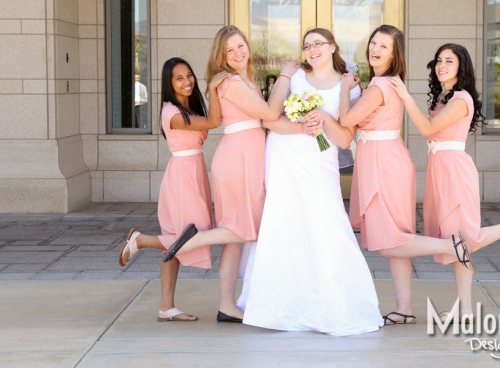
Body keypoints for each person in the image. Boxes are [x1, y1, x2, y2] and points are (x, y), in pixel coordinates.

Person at [236, 28, 384, 336]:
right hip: (284, 157)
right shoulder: (294, 77)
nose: (312, 49)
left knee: (326, 223)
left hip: (321, 162)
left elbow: (344, 138)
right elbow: (269, 119)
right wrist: (302, 125)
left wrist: (324, 119)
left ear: (332, 46)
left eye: (318, 43)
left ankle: (332, 300)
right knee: (284, 222)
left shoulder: (349, 87)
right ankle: (277, 303)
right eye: (306, 46)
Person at [390, 43, 500, 322]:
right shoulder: (442, 98)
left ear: (462, 66)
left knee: (463, 239)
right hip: (439, 170)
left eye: (449, 61)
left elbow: (426, 130)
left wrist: (404, 96)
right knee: (454, 242)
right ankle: (466, 311)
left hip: (454, 171)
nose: (442, 65)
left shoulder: (460, 99)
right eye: (439, 60)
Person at [338, 25, 475, 325]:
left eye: (384, 46)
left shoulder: (380, 86)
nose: (375, 48)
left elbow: (346, 119)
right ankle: (404, 309)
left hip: (382, 161)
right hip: (388, 158)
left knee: (389, 240)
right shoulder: (385, 83)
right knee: (394, 240)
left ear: (394, 53)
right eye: (373, 41)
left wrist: (344, 91)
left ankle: (450, 245)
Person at [161, 25, 295, 322]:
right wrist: (286, 75)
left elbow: (267, 117)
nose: (237, 53)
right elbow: (269, 115)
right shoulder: (231, 82)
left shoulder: (245, 80)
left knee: (238, 234)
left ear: (247, 46)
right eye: (229, 50)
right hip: (238, 157)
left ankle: (226, 305)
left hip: (245, 153)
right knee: (241, 227)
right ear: (221, 56)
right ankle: (191, 242)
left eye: (240, 46)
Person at [117, 57, 222, 322]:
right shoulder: (171, 113)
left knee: (175, 239)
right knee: (188, 237)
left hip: (193, 171)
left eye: (189, 75)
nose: (187, 81)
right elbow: (213, 122)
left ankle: (166, 307)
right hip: (183, 176)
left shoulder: (185, 106)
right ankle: (141, 240)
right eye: (179, 78)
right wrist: (214, 90)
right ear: (169, 83)